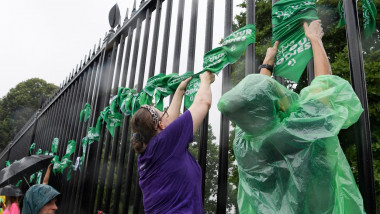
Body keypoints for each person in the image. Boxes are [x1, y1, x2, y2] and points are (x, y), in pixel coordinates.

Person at [218, 20, 365, 213]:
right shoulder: (298, 129)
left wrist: (266, 65)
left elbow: (249, 104)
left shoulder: (243, 144)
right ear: (278, 105)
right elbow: (324, 84)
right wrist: (315, 40)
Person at [131, 71, 215, 213]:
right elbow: (203, 103)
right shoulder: (165, 143)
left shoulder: (146, 155)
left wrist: (179, 91)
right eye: (163, 113)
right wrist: (205, 79)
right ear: (159, 125)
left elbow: (168, 122)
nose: (167, 114)